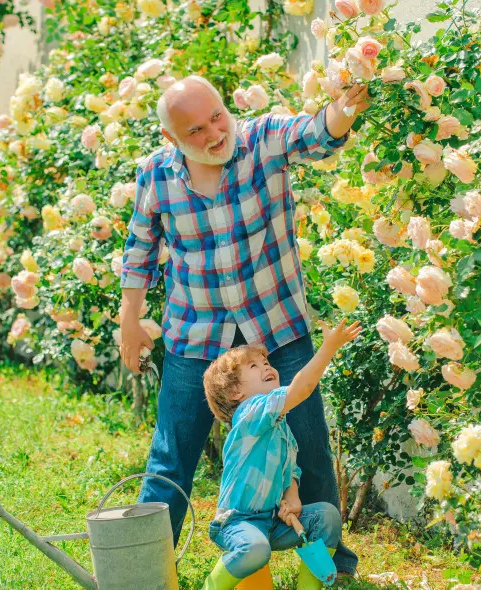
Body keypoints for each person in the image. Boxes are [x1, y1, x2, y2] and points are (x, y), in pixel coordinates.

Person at [118, 74, 369, 576]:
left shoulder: (262, 140)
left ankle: (327, 569)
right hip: (196, 334)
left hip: (276, 327)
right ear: (171, 139)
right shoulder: (157, 175)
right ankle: (140, 574)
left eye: (216, 116)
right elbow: (141, 249)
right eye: (195, 130)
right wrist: (130, 321)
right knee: (171, 457)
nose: (214, 133)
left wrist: (343, 109)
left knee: (311, 449)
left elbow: (317, 133)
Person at [199, 319, 362, 589]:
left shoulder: (281, 427)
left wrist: (292, 497)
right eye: (254, 366)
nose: (267, 366)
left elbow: (290, 470)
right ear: (236, 392)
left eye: (266, 363)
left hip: (272, 520)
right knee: (256, 549)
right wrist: (328, 348)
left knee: (327, 517)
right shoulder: (250, 414)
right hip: (239, 523)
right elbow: (303, 389)